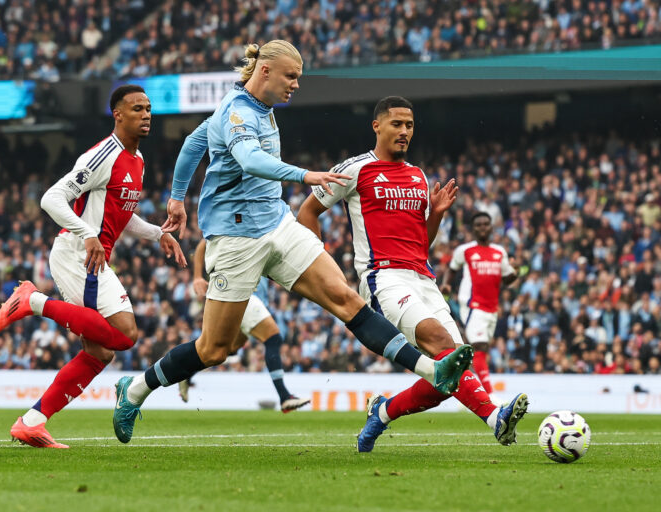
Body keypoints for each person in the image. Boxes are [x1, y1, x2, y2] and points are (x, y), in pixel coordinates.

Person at [112, 41, 472, 444]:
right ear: (265, 71)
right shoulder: (237, 112)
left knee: (346, 299)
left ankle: (431, 369)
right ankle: (137, 389)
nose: (297, 84)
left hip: (279, 224)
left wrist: (177, 197)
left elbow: (196, 143)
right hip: (235, 238)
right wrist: (305, 175)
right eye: (291, 76)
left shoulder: (255, 108)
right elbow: (249, 159)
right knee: (214, 349)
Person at [297, 96, 528, 452]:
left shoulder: (419, 176)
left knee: (451, 368)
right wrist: (321, 267)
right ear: (377, 126)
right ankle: (495, 418)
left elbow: (422, 244)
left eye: (409, 126)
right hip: (383, 277)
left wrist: (434, 215)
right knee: (440, 345)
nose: (404, 132)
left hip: (423, 277)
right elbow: (307, 212)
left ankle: (383, 412)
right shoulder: (356, 169)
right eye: (397, 124)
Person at [0, 84, 187, 448]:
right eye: (136, 109)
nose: (146, 115)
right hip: (76, 254)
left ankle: (31, 422)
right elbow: (52, 198)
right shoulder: (103, 155)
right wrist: (87, 234)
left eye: (148, 109)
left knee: (100, 351)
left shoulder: (137, 161)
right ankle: (32, 301)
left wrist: (157, 234)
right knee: (125, 334)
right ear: (117, 114)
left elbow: (122, 216)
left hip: (92, 255)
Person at [179, 238, 309, 413]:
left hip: (253, 297)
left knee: (222, 351)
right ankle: (285, 397)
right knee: (273, 338)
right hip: (242, 293)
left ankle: (186, 372)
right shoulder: (238, 223)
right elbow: (203, 243)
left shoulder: (265, 226)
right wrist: (196, 277)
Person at [442, 211, 518, 397]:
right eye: (479, 225)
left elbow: (507, 278)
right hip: (472, 305)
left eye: (486, 224)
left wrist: (516, 272)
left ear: (491, 227)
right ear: (473, 229)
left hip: (492, 308)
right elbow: (452, 270)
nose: (483, 227)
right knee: (480, 347)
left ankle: (465, 390)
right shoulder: (465, 250)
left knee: (479, 351)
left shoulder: (500, 252)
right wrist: (446, 284)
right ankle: (490, 396)